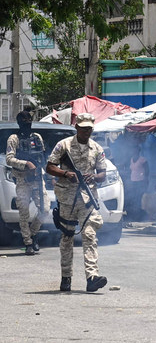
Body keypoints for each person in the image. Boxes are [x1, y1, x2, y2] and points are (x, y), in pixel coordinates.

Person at [46, 113, 108, 293]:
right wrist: (66, 174)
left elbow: (103, 173)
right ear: (77, 128)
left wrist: (94, 176)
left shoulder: (96, 148)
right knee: (67, 237)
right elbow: (50, 166)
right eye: (83, 128)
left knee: (89, 234)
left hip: (87, 199)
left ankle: (92, 277)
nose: (86, 131)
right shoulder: (63, 145)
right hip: (67, 199)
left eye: (89, 128)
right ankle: (66, 277)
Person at [5, 108, 50, 255]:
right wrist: (26, 164)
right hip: (22, 179)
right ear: (19, 123)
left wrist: (45, 172)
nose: (27, 125)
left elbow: (42, 156)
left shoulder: (37, 137)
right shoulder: (14, 139)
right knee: (23, 213)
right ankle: (28, 243)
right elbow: (9, 159)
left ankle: (33, 233)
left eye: (29, 122)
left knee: (45, 209)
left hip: (37, 179)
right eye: (24, 122)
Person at [127, 145, 149, 222]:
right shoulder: (131, 159)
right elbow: (131, 170)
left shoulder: (142, 159)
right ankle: (135, 215)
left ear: (138, 151)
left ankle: (140, 215)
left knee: (139, 198)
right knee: (134, 198)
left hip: (141, 181)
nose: (133, 152)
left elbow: (147, 170)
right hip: (133, 181)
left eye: (135, 150)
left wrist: (146, 179)